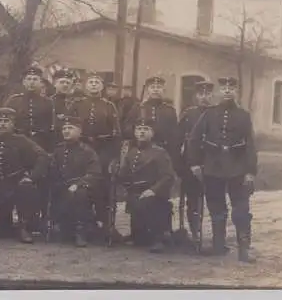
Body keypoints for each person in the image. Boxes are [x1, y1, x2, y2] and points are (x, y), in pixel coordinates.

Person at [187, 76, 258, 263]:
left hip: (238, 167)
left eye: (231, 88)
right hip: (213, 166)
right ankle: (219, 245)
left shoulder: (244, 116)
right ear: (218, 92)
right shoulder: (209, 114)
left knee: (241, 208)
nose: (227, 91)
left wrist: (250, 171)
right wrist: (194, 163)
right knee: (216, 206)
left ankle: (244, 248)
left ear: (236, 92)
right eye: (224, 88)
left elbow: (250, 144)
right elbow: (193, 139)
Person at [68, 72, 122, 242]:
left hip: (103, 152)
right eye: (90, 82)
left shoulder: (109, 106)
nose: (93, 85)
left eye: (96, 82)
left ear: (102, 87)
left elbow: (116, 134)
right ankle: (81, 226)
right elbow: (68, 127)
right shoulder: (77, 104)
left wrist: (115, 158)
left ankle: (106, 226)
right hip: (80, 151)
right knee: (81, 187)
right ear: (85, 86)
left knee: (103, 189)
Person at [0, 107, 49, 243]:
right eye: (0, 121)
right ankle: (13, 227)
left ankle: (24, 226)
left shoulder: (22, 140)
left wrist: (31, 177)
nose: (3, 124)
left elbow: (43, 155)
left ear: (13, 124)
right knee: (1, 233)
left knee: (26, 190)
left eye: (6, 121)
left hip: (18, 182)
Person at [118, 113, 175, 253]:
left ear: (152, 133)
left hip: (154, 194)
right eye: (139, 129)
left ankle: (159, 238)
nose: (141, 132)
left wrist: (153, 190)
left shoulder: (160, 153)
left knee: (151, 203)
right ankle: (140, 234)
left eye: (145, 129)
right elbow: (124, 175)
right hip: (135, 193)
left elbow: (168, 176)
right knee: (139, 239)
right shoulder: (131, 152)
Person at [49, 116, 102, 247]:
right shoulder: (58, 150)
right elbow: (52, 170)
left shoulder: (88, 151)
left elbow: (94, 173)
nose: (66, 131)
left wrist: (77, 184)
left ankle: (81, 231)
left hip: (81, 189)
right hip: (61, 188)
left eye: (70, 128)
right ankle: (58, 225)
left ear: (79, 131)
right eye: (64, 128)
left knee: (80, 193)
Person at [175, 80, 214, 245]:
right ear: (195, 96)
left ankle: (217, 235)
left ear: (212, 95)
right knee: (192, 198)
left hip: (212, 162)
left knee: (213, 198)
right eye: (201, 94)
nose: (204, 98)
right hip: (191, 162)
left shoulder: (217, 113)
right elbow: (177, 139)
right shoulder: (188, 114)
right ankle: (194, 232)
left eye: (207, 94)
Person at [124, 76, 178, 164]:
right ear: (147, 90)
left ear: (163, 90)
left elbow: (175, 135)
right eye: (152, 87)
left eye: (159, 87)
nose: (155, 90)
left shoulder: (170, 110)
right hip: (142, 151)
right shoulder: (137, 108)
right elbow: (127, 128)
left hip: (164, 150)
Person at [4, 66, 55, 153]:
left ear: (40, 82)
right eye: (29, 79)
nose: (31, 82)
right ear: (24, 82)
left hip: (40, 144)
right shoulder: (14, 100)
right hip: (18, 144)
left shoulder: (48, 102)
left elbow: (50, 127)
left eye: (35, 79)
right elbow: (6, 123)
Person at [50, 68, 75, 144]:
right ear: (55, 84)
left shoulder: (76, 102)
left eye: (68, 83)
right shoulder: (48, 101)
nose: (65, 85)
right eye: (62, 82)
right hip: (54, 140)